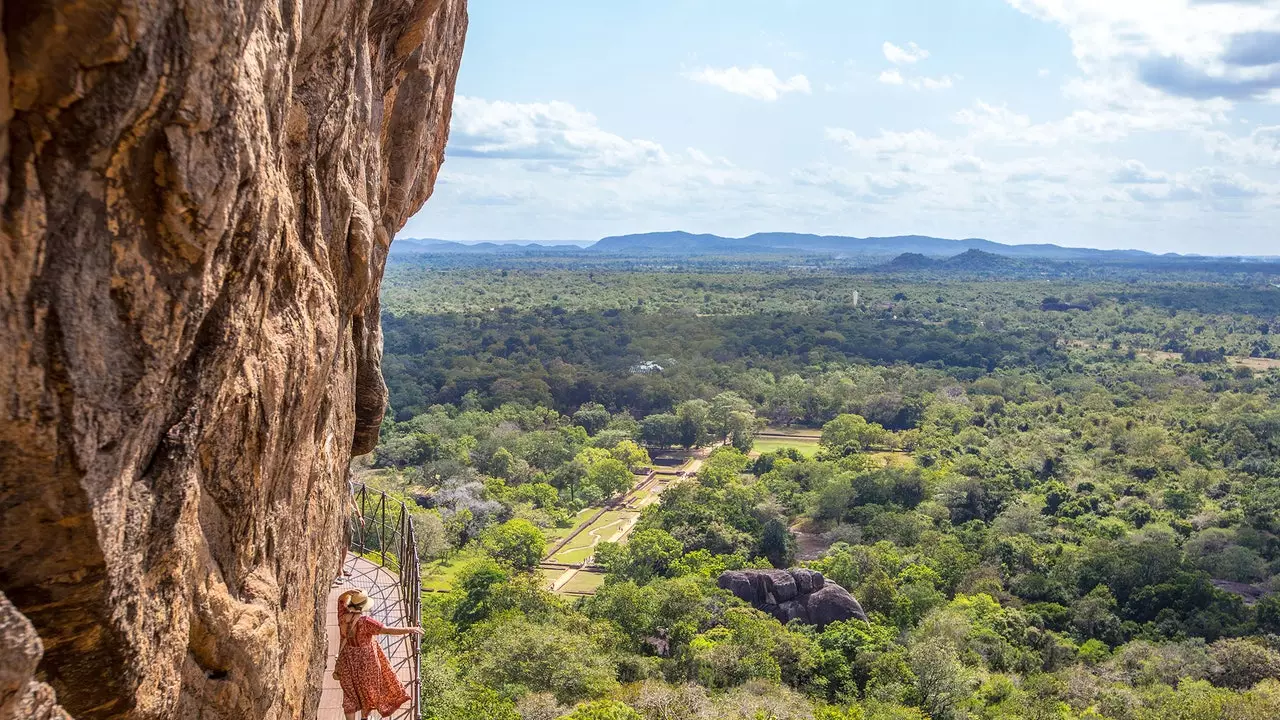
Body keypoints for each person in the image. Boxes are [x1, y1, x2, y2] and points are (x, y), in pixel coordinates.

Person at [334, 589, 422, 719]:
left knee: (349, 693)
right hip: (366, 661)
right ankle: (365, 717)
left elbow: (341, 600)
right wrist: (410, 629)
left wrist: (348, 592)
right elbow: (387, 630)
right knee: (368, 688)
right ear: (364, 606)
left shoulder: (342, 615)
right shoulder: (365, 621)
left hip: (347, 659)